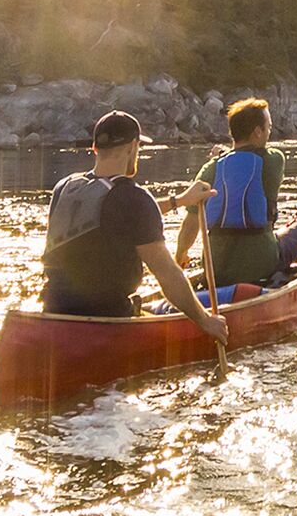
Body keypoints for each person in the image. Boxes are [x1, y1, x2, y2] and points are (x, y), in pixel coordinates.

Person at [41, 110, 229, 343]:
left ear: (95, 148)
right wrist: (205, 320)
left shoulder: (65, 187)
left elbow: (116, 216)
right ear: (132, 147)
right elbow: (167, 273)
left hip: (54, 310)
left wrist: (179, 201)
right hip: (108, 319)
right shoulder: (134, 198)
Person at [174, 95, 297, 289]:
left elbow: (190, 223)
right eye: (268, 127)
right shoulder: (273, 161)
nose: (270, 132)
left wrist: (181, 253)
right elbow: (244, 161)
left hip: (216, 269)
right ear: (258, 132)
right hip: (262, 265)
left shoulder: (211, 169)